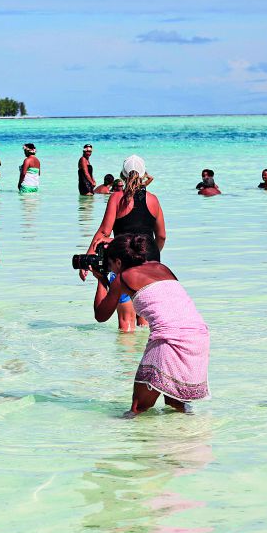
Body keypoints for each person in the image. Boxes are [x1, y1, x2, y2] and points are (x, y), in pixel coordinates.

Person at [80, 233, 210, 415]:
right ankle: (189, 439)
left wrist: (102, 279)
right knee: (176, 406)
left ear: (118, 262)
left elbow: (101, 315)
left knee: (137, 409)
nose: (111, 270)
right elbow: (150, 241)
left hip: (168, 340)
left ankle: (127, 441)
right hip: (198, 338)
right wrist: (115, 244)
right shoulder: (163, 268)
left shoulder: (123, 277)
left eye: (110, 265)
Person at [89, 155, 166, 332]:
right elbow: (161, 236)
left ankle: (124, 360)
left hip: (123, 264)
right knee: (145, 323)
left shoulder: (117, 197)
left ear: (122, 175)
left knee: (126, 324)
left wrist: (90, 258)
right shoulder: (153, 199)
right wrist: (152, 254)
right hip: (149, 266)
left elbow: (104, 232)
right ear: (143, 173)